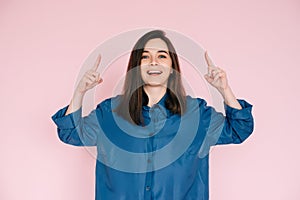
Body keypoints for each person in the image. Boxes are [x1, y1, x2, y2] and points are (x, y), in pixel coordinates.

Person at [52, 30, 254, 200]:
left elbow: (239, 130)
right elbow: (71, 134)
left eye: (162, 56)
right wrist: (79, 92)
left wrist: (224, 90)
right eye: (145, 56)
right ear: (136, 67)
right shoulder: (110, 112)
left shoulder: (197, 114)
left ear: (173, 67)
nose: (153, 62)